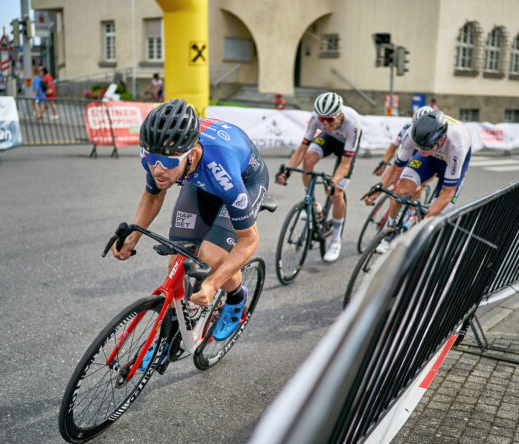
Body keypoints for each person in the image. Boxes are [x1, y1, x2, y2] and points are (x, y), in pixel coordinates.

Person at [111, 99, 269, 342]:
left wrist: (213, 284)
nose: (158, 170)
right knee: (177, 264)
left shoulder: (222, 171)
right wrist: (133, 237)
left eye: (169, 162)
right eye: (152, 159)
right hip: (200, 180)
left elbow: (249, 240)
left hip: (243, 182)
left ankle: (236, 299)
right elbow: (153, 197)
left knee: (210, 259)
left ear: (191, 154)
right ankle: (170, 333)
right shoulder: (157, 156)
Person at [365, 111, 471, 253]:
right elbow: (396, 168)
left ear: (440, 140)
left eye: (426, 146)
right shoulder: (412, 134)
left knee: (434, 218)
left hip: (450, 163)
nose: (420, 150)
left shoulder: (456, 144)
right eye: (418, 146)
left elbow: (448, 192)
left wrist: (426, 221)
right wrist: (377, 191)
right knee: (400, 192)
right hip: (430, 159)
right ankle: (391, 233)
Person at [276, 91, 362, 262]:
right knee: (308, 161)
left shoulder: (353, 124)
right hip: (329, 140)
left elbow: (345, 163)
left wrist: (334, 181)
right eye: (322, 120)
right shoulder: (317, 118)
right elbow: (302, 148)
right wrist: (288, 171)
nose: (325, 123)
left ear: (340, 114)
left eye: (329, 120)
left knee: (336, 193)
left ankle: (336, 241)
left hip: (346, 149)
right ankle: (313, 203)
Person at [373, 106, 433, 176]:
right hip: (407, 156)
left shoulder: (435, 133)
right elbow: (394, 145)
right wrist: (384, 163)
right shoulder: (408, 126)